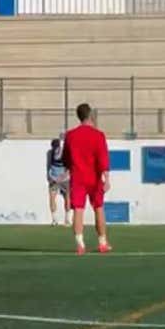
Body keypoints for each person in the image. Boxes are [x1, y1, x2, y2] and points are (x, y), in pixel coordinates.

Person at [60, 103, 111, 255]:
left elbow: (66, 157)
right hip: (94, 178)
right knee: (99, 209)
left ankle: (80, 244)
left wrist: (68, 170)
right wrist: (107, 179)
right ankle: (102, 243)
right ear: (90, 116)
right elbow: (103, 159)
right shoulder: (98, 135)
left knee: (78, 211)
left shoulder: (70, 135)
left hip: (78, 178)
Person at [46, 137, 71, 226]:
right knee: (52, 197)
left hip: (65, 179)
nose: (55, 148)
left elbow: (69, 168)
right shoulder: (50, 153)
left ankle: (67, 219)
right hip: (53, 178)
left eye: (56, 147)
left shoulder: (65, 153)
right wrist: (50, 177)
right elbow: (48, 165)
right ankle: (54, 219)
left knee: (67, 198)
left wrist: (62, 177)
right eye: (53, 147)